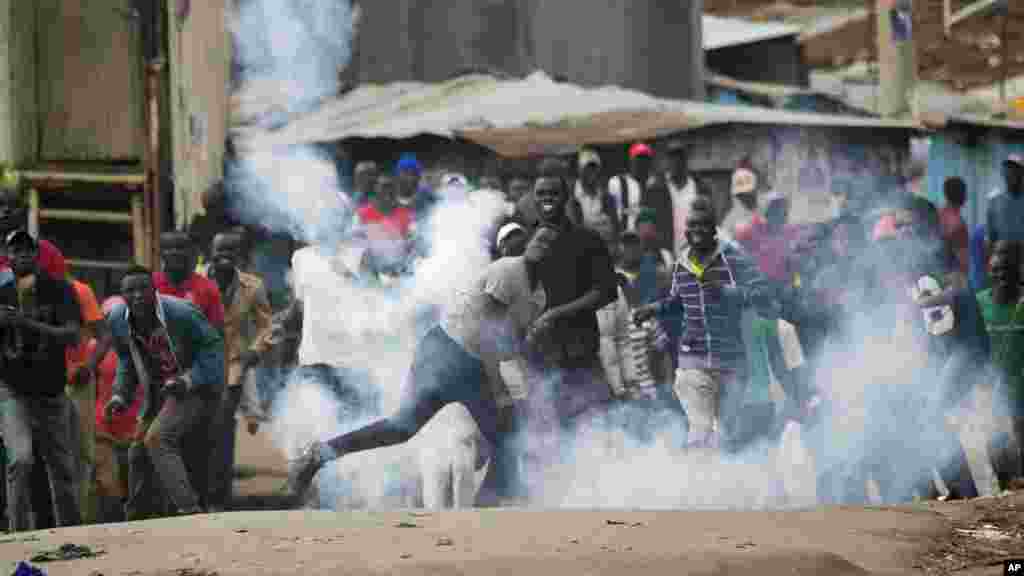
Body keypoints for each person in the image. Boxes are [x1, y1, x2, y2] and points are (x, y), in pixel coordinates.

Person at [286, 226, 558, 503]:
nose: (544, 245)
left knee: (505, 440)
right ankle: (317, 456)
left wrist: (529, 376)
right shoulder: (508, 271)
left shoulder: (539, 296)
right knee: (405, 427)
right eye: (541, 238)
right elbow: (486, 332)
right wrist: (500, 392)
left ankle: (485, 510)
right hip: (448, 351)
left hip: (472, 364)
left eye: (552, 242)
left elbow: (509, 342)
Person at [633, 197, 777, 451]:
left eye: (703, 225)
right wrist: (652, 308)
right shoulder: (681, 264)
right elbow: (677, 302)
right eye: (692, 226)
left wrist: (728, 292)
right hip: (693, 358)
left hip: (730, 359)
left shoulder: (733, 258)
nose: (697, 230)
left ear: (714, 230)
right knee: (700, 430)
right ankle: (699, 480)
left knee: (726, 432)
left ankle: (725, 481)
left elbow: (764, 294)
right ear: (685, 231)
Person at [104, 266, 225, 519]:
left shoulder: (180, 312)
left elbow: (214, 349)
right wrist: (120, 395)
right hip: (158, 393)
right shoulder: (117, 318)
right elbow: (127, 359)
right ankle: (136, 519)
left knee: (158, 438)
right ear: (121, 294)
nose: (137, 295)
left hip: (196, 388)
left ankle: (189, 510)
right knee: (137, 452)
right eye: (130, 290)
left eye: (143, 289)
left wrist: (188, 380)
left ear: (154, 289)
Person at [0, 230, 82, 531]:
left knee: (62, 467)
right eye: (15, 249)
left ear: (37, 254)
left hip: (51, 390)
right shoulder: (2, 289)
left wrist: (27, 323)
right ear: (7, 256)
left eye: (27, 249)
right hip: (12, 389)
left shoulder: (59, 289)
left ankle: (71, 534)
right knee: (20, 459)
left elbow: (74, 335)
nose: (22, 255)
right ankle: (17, 534)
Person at [527, 158, 618, 426]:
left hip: (583, 356)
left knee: (600, 432)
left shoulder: (587, 239)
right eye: (541, 193)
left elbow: (607, 291)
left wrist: (557, 313)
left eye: (553, 193)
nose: (547, 198)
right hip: (542, 362)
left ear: (566, 196)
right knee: (548, 443)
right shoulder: (524, 242)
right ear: (533, 198)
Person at [204, 231, 274, 512]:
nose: (225, 254)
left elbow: (268, 326)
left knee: (222, 429)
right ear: (210, 250)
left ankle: (218, 497)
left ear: (240, 256)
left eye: (232, 250)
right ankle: (196, 493)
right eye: (220, 248)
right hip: (194, 365)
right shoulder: (194, 280)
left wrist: (256, 350)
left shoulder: (253, 286)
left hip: (232, 366)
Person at [974, 240, 1024, 486]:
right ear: (987, 270)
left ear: (1019, 271)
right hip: (989, 389)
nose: (1001, 275)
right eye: (996, 270)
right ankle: (1003, 487)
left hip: (1020, 388)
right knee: (995, 450)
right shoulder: (978, 303)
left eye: (1008, 269)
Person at [93, 296, 142, 524]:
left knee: (135, 487)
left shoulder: (142, 348)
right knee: (108, 485)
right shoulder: (95, 350)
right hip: (103, 427)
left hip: (137, 428)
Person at [64, 278, 105, 525]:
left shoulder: (79, 290)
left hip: (77, 381)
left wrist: (88, 366)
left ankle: (78, 518)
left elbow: (104, 335)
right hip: (33, 380)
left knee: (81, 450)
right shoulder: (10, 287)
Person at [643, 140, 706, 258]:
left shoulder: (700, 187)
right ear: (667, 160)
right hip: (666, 255)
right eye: (672, 157)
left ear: (686, 159)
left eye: (680, 156)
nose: (676, 161)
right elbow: (646, 222)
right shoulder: (656, 189)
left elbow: (710, 220)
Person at [570, 149, 617, 246]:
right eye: (587, 168)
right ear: (579, 170)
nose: (591, 172)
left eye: (594, 168)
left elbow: (614, 228)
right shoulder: (571, 196)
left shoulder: (606, 197)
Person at [608, 143, 656, 234]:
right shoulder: (618, 182)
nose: (642, 162)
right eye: (638, 158)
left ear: (650, 162)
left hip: (649, 238)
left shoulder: (655, 183)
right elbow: (613, 215)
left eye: (645, 159)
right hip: (627, 238)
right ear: (631, 160)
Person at [986, 154, 1024, 248]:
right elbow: (991, 235)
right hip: (1002, 251)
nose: (1011, 173)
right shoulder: (994, 199)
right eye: (1008, 169)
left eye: (1015, 170)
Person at [940, 177, 970, 277]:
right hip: (952, 278)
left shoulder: (939, 215)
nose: (966, 196)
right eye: (965, 192)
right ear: (961, 195)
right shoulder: (958, 224)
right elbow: (964, 261)